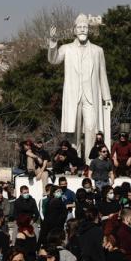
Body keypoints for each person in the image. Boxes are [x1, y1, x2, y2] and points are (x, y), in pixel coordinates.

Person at [47, 15, 113, 157]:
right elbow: (53, 60)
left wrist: (107, 97)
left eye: (85, 27)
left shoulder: (98, 50)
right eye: (80, 27)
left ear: (88, 30)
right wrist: (53, 42)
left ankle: (90, 162)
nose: (82, 30)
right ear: (74, 30)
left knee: (91, 127)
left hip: (91, 96)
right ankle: (74, 161)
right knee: (74, 130)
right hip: (73, 96)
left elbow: (102, 75)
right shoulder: (66, 48)